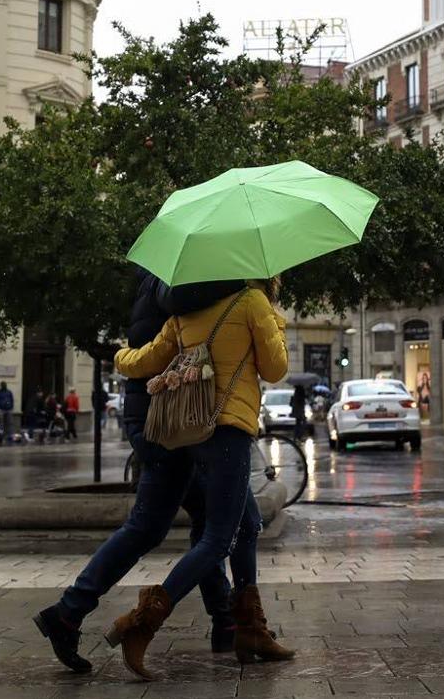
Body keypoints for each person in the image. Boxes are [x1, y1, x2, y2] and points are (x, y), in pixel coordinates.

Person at [33, 270, 249, 675]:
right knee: (152, 527)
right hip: (168, 418)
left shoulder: (163, 275)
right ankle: (68, 612)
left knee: (209, 520)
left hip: (176, 415)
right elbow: (180, 303)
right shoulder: (176, 280)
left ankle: (227, 621)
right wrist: (239, 285)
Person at [106, 276, 294, 679]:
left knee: (248, 525)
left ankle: (250, 629)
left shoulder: (184, 312)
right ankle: (141, 623)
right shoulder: (251, 303)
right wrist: (276, 324)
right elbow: (276, 368)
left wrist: (120, 357)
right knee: (218, 538)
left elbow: (147, 360)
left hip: (196, 431)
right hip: (230, 429)